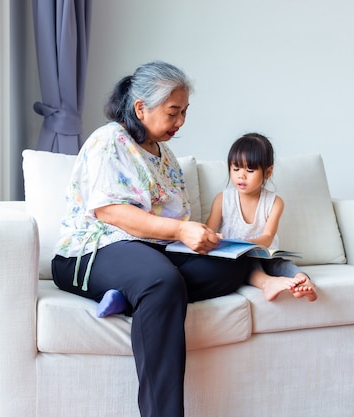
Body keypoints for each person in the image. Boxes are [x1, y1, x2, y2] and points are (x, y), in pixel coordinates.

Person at [51, 61, 252, 417]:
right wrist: (179, 231)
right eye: (173, 112)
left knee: (234, 266)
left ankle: (129, 296)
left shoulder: (166, 155)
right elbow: (111, 212)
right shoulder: (109, 140)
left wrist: (200, 236)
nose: (181, 122)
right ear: (141, 107)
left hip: (149, 252)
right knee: (161, 282)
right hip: (92, 249)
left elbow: (175, 221)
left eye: (185, 112)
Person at [205, 133, 317, 302]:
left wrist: (244, 244)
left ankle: (304, 282)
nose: (241, 175)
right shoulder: (223, 199)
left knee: (282, 264)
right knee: (250, 265)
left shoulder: (275, 202)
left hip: (266, 254)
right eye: (236, 169)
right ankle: (268, 283)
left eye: (250, 170)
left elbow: (267, 237)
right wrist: (216, 239)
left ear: (268, 172)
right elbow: (208, 231)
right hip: (239, 259)